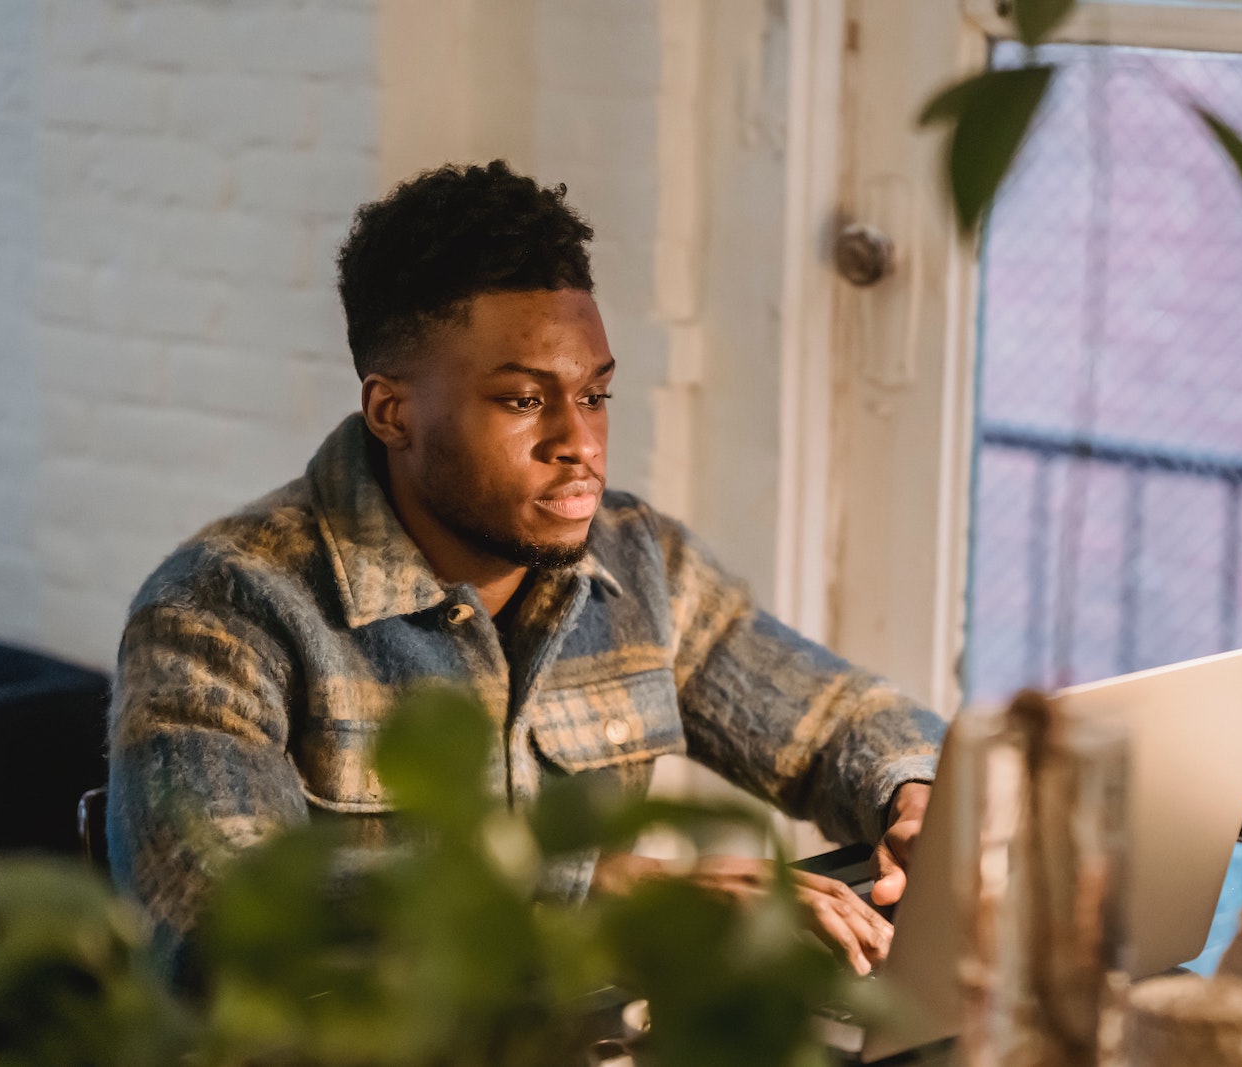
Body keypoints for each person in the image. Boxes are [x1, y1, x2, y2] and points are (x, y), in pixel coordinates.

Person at [107, 160, 945, 982]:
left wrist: (916, 793)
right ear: (391, 411)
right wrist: (598, 888)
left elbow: (838, 719)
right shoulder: (221, 605)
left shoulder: (637, 559)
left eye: (595, 395)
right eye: (522, 400)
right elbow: (223, 912)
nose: (579, 444)